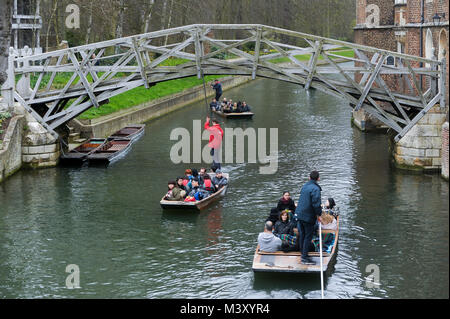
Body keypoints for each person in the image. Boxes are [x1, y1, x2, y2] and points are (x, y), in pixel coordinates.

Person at [294, 170, 322, 265]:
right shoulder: (316, 189)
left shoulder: (305, 186)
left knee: (302, 235)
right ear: (318, 178)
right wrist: (319, 215)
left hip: (299, 214)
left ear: (309, 178)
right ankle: (304, 258)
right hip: (307, 216)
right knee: (307, 236)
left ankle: (303, 254)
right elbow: (316, 204)